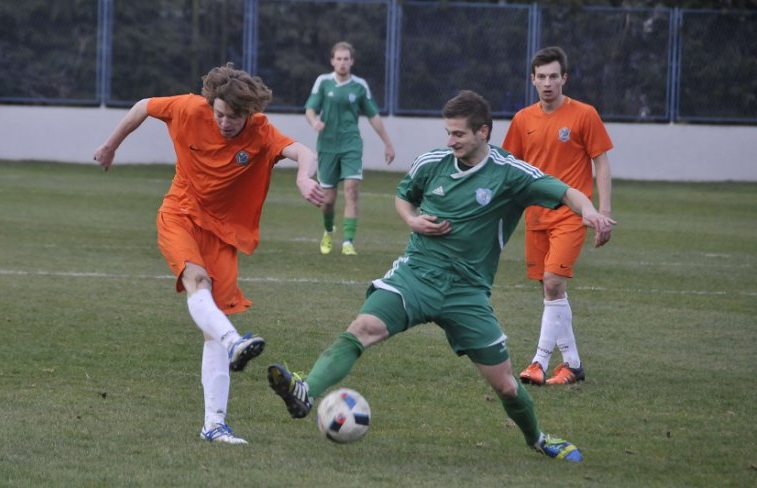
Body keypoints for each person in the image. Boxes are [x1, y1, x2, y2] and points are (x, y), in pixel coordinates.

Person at [267, 90, 616, 461]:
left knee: (507, 385)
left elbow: (565, 191)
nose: (450, 142)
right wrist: (411, 219)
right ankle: (305, 391)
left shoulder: (511, 173)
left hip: (467, 292)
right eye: (447, 133)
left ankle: (538, 439)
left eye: (458, 135)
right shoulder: (432, 163)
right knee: (361, 329)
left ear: (483, 132)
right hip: (416, 274)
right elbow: (403, 196)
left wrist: (590, 212)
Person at [93, 63, 324, 444]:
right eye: (219, 114)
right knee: (197, 281)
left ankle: (213, 424)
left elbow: (302, 150)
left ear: (248, 113)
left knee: (210, 330)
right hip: (179, 214)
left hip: (221, 232)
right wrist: (111, 145)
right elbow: (142, 106)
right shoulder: (187, 108)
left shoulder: (260, 130)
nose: (225, 122)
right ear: (210, 104)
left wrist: (303, 175)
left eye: (233, 117)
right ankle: (235, 343)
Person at [502, 46, 614, 386]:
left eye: (554, 76)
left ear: (564, 78)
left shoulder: (584, 115)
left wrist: (603, 212)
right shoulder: (523, 120)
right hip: (536, 217)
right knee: (551, 291)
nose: (548, 83)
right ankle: (574, 365)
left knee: (552, 283)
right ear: (532, 80)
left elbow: (602, 162)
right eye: (541, 77)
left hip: (571, 215)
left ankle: (538, 362)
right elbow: (509, 168)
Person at [305, 41, 396, 256]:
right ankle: (328, 230)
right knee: (327, 201)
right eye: (339, 58)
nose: (342, 62)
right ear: (332, 61)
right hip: (327, 146)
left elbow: (373, 115)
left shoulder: (360, 86)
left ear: (352, 61)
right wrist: (314, 122)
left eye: (346, 59)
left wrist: (388, 143)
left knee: (352, 190)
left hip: (351, 145)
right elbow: (310, 108)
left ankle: (348, 242)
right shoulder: (323, 82)